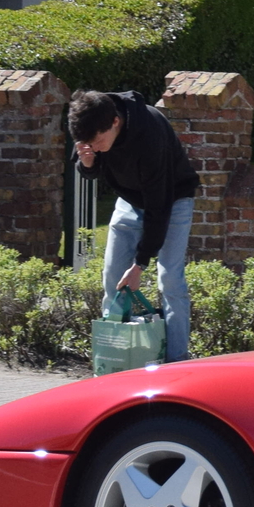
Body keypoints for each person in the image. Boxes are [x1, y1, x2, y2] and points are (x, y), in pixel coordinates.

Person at [67, 88, 200, 361]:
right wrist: (88, 163)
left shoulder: (149, 132)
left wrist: (140, 264)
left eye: (99, 141)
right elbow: (90, 168)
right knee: (112, 279)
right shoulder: (93, 120)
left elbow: (158, 206)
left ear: (116, 122)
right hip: (129, 201)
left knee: (170, 280)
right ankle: (112, 357)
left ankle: (176, 361)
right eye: (89, 143)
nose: (98, 146)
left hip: (171, 200)